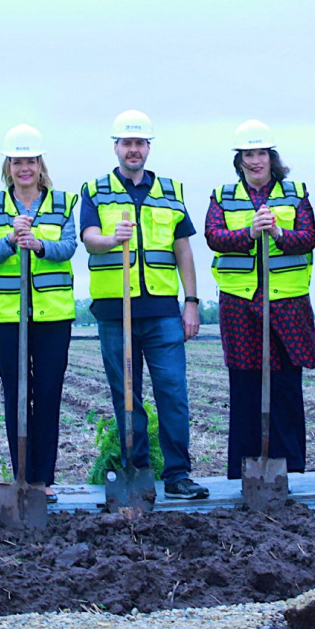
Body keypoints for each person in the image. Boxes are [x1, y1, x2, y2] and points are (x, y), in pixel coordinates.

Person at [80, 109, 209, 500]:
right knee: (126, 396)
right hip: (115, 312)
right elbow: (87, 238)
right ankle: (137, 471)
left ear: (148, 147)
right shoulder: (95, 190)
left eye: (139, 143)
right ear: (115, 147)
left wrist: (191, 302)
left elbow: (183, 249)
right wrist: (110, 238)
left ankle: (178, 475)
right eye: (126, 143)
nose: (133, 150)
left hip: (162, 311)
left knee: (173, 393)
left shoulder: (171, 191)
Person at [204, 120, 315, 479]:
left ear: (272, 157)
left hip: (287, 301)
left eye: (262, 154)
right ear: (239, 160)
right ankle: (243, 470)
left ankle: (292, 468)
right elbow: (213, 236)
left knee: (286, 385)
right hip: (240, 302)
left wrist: (280, 233)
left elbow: (309, 237)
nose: (256, 161)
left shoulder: (296, 192)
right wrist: (247, 233)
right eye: (248, 154)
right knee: (245, 385)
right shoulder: (222, 196)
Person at [0, 125, 78, 503]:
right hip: (7, 314)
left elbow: (68, 247)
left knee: (48, 392)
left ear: (40, 165)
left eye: (31, 161)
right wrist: (8, 239)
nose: (24, 168)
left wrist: (38, 244)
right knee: (15, 393)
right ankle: (20, 472)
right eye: (17, 161)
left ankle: (43, 478)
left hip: (52, 315)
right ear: (8, 166)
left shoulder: (63, 202)